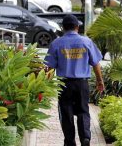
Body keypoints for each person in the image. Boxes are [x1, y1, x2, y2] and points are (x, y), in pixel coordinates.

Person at [45, 15, 105, 146]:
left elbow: (49, 68)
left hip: (64, 84)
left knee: (66, 113)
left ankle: (70, 142)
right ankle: (85, 138)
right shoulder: (86, 42)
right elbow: (96, 64)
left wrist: (46, 87)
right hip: (82, 83)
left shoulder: (56, 43)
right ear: (77, 27)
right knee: (83, 110)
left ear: (63, 28)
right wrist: (100, 81)